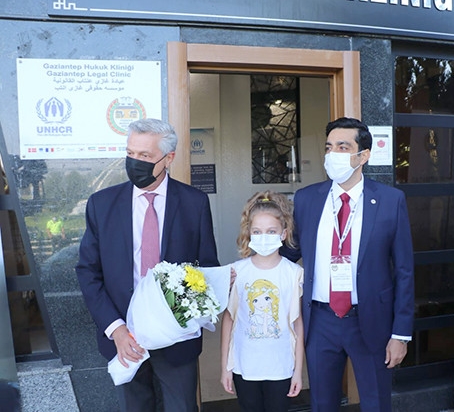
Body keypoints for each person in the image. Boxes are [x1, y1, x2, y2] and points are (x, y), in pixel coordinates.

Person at [75, 118, 219, 411]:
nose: (135, 162)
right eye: (130, 153)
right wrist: (116, 329)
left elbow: (206, 267)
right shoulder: (102, 204)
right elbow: (88, 271)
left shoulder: (194, 202)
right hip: (124, 337)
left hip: (177, 338)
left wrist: (186, 317)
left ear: (169, 158)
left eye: (145, 155)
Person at [282, 117, 415, 411]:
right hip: (320, 321)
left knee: (376, 402)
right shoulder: (307, 199)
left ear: (363, 155)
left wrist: (400, 334)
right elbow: (290, 253)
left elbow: (404, 271)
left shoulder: (390, 200)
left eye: (343, 147)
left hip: (371, 319)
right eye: (329, 147)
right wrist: (248, 269)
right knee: (322, 403)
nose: (333, 154)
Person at [220, 191, 304, 412]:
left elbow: (297, 324)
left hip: (281, 366)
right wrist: (225, 367)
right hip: (245, 365)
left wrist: (298, 371)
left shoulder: (293, 273)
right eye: (257, 231)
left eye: (271, 231)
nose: (263, 237)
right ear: (249, 233)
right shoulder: (237, 272)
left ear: (283, 233)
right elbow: (229, 320)